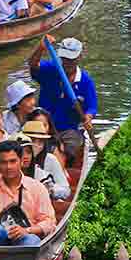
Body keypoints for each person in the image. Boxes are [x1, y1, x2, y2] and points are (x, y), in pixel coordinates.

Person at [28, 35, 98, 167]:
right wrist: (40, 48)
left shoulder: (85, 81)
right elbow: (33, 65)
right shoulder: (51, 69)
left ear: (78, 58)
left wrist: (88, 117)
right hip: (44, 126)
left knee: (71, 146)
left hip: (68, 130)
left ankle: (62, 166)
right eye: (65, 59)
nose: (67, 63)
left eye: (71, 59)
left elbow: (92, 107)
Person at [0, 140, 57, 246]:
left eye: (13, 161)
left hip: (27, 236)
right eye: (4, 162)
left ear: (21, 161)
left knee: (30, 241)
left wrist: (27, 230)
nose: (8, 167)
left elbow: (49, 222)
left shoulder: (37, 187)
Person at [22, 120, 71, 199]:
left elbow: (66, 189)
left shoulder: (50, 159)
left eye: (40, 142)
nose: (37, 145)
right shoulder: (14, 158)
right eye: (33, 140)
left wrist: (50, 189)